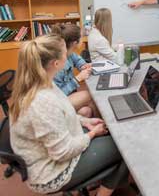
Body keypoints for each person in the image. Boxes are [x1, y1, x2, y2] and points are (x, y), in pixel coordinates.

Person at [9, 35, 129, 196]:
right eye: (66, 53)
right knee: (125, 148)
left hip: (52, 154)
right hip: (51, 173)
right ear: (56, 63)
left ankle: (100, 175)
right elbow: (63, 152)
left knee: (111, 137)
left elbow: (62, 113)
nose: (70, 55)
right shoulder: (42, 101)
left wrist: (85, 121)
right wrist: (92, 134)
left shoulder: (41, 82)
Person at [52, 23, 94, 118]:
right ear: (75, 43)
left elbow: (77, 60)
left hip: (70, 95)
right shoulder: (58, 65)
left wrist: (83, 65)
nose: (82, 40)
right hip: (58, 100)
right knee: (89, 96)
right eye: (81, 38)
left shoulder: (69, 53)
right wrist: (77, 79)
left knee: (86, 111)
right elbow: (57, 95)